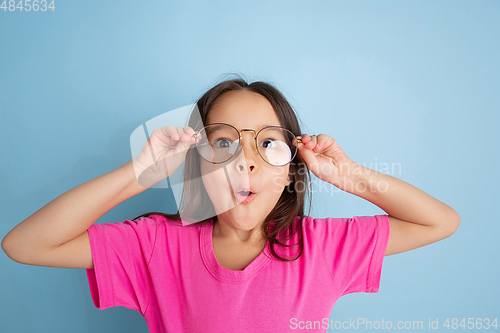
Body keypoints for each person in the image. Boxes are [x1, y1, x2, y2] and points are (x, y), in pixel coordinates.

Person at [1, 76, 460, 333]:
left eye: (268, 146)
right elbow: (24, 244)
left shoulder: (320, 248)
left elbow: (440, 222)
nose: (245, 163)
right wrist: (138, 174)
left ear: (289, 171)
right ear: (197, 165)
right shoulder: (156, 246)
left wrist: (346, 175)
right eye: (223, 144)